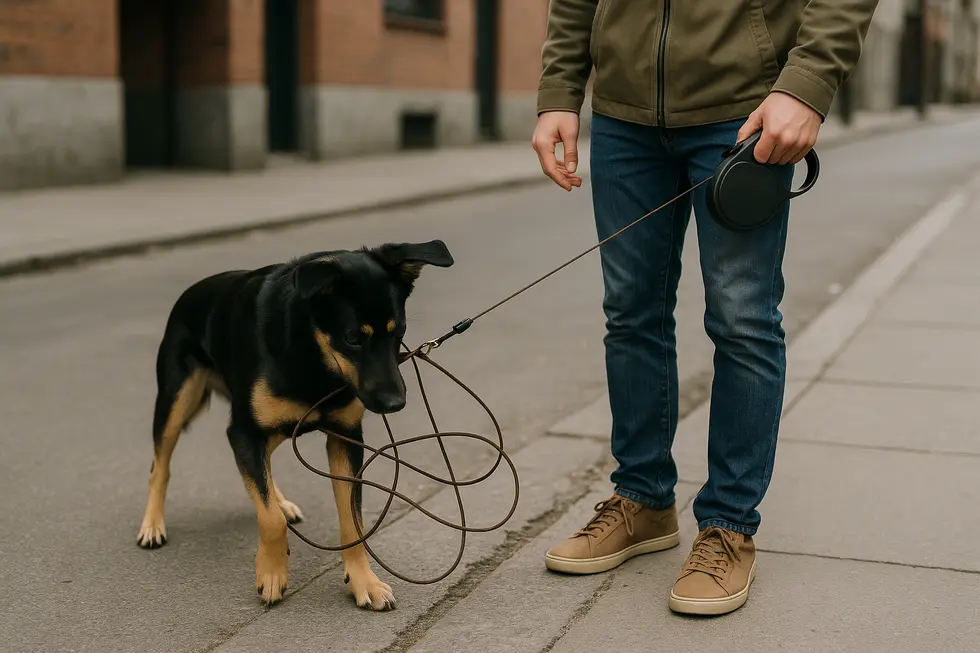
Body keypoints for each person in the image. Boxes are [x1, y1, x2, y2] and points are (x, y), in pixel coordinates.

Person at [532, 0, 878, 615]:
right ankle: (643, 501)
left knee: (742, 320)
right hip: (623, 114)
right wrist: (560, 89)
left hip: (745, 109)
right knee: (630, 313)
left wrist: (807, 83)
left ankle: (728, 525)